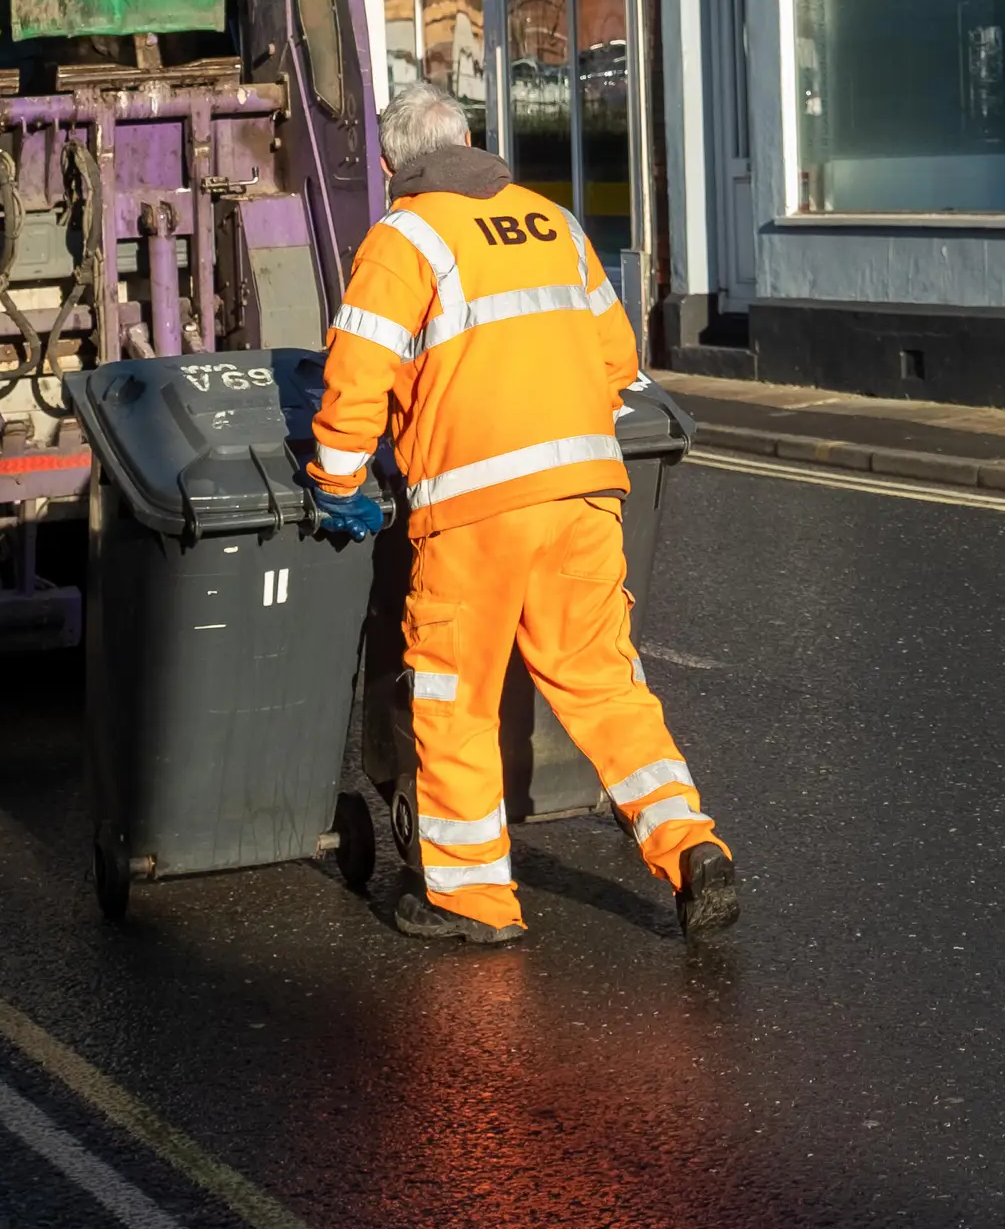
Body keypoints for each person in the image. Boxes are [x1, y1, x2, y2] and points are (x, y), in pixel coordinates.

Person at [304, 84, 736, 947]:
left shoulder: (405, 236)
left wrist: (338, 480)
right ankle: (691, 845)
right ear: (473, 142)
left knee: (453, 695)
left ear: (393, 165)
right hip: (584, 493)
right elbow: (619, 363)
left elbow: (357, 378)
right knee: (605, 683)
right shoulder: (553, 221)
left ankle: (470, 899)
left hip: (475, 509)